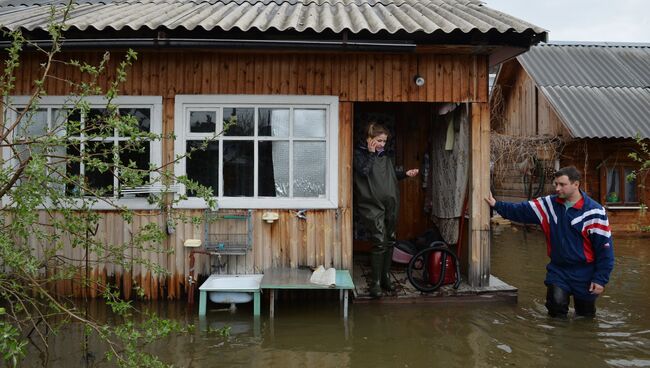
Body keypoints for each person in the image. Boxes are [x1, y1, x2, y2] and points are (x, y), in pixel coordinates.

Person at [485, 166, 614, 318]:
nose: (557, 188)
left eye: (562, 184)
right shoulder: (548, 205)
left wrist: (600, 279)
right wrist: (496, 205)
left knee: (585, 317)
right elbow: (521, 210)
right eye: (555, 184)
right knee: (556, 308)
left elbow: (605, 250)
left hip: (585, 272)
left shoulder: (595, 212)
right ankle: (554, 340)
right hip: (559, 270)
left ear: (576, 185)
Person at [353, 122, 419, 298]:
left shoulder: (386, 156)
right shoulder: (359, 155)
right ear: (369, 138)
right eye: (379, 140)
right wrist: (371, 153)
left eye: (384, 141)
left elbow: (390, 175)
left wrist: (405, 174)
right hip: (371, 205)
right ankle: (374, 283)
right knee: (379, 241)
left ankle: (385, 278)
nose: (382, 144)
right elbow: (365, 172)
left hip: (391, 203)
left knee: (390, 240)